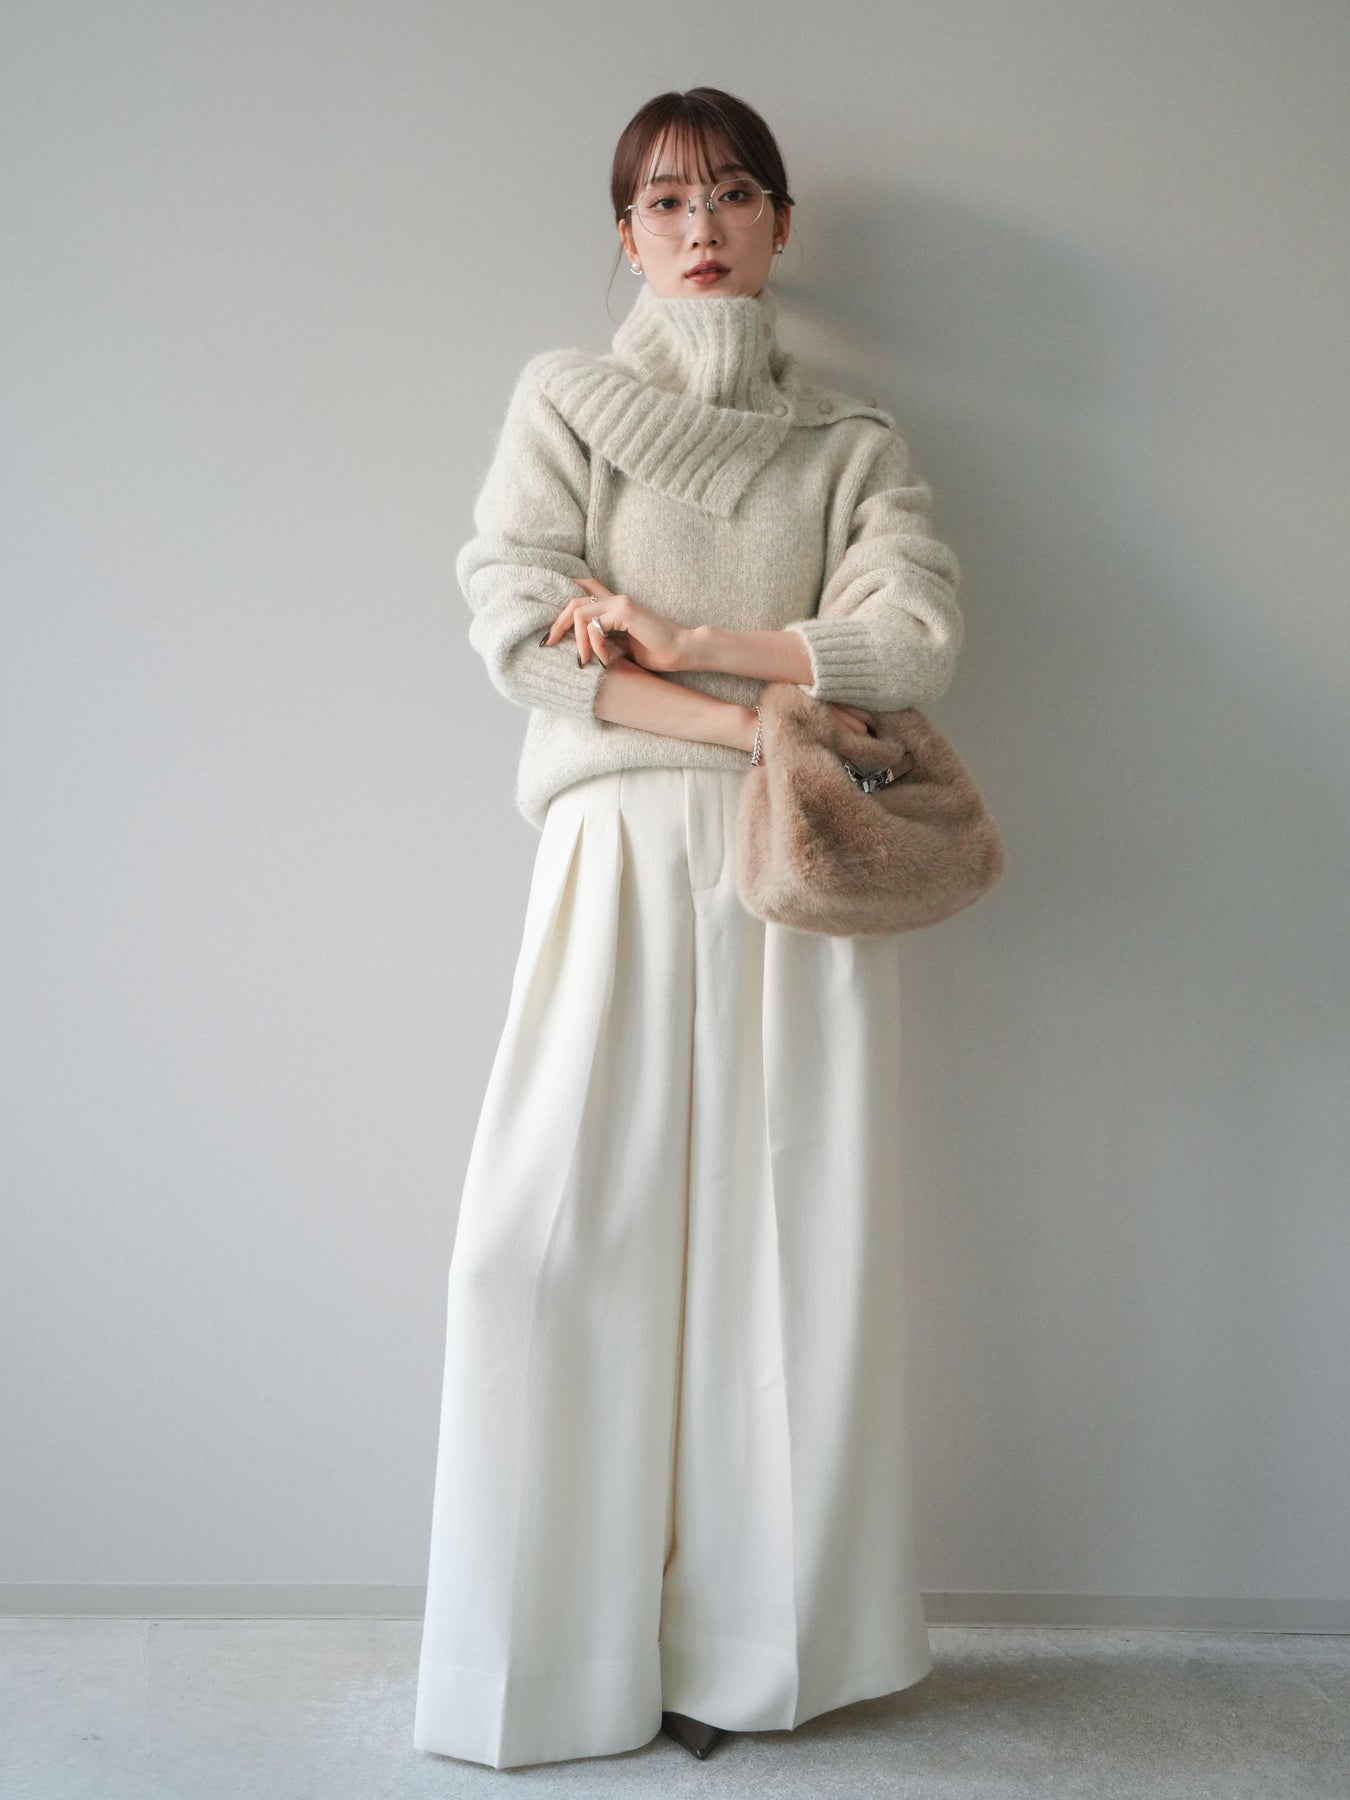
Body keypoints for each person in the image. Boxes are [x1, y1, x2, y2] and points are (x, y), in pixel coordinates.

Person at [412, 86, 965, 1772]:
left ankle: (749, 1655)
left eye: (728, 193)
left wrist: (687, 638)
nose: (698, 226)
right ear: (625, 235)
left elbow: (914, 639)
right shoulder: (562, 401)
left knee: (785, 1252)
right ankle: (543, 1664)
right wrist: (748, 711)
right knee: (546, 1239)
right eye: (661, 201)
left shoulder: (851, 443)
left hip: (800, 867)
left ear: (780, 221)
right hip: (620, 852)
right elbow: (520, 627)